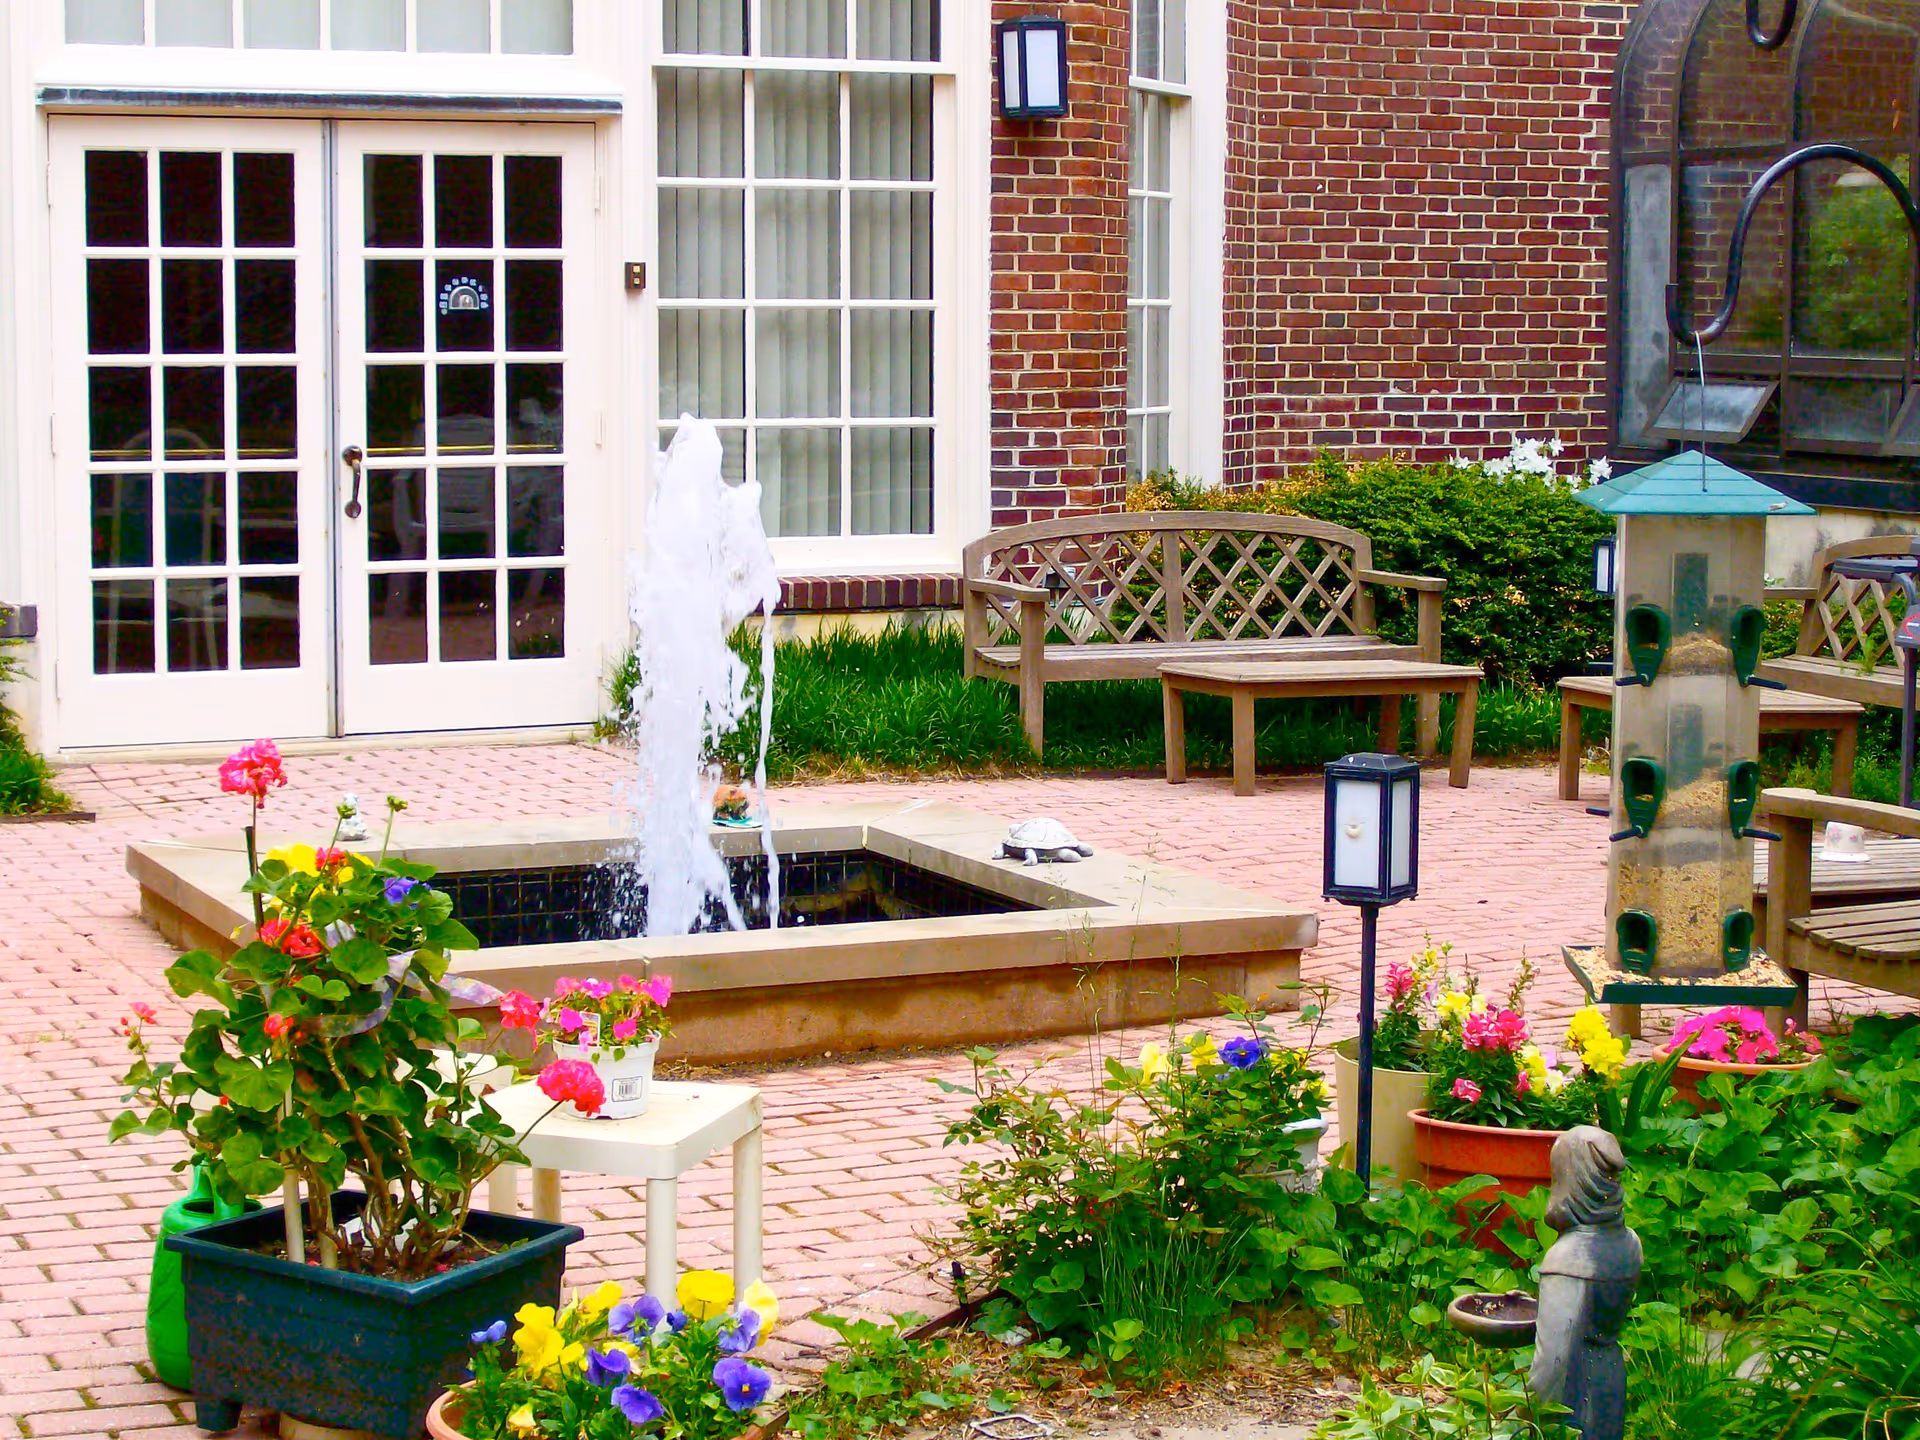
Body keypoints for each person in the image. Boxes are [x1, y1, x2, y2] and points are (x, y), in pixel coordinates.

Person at [1528, 1126, 1641, 1440]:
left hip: (1574, 1394)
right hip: (1610, 1379)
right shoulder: (1631, 1242)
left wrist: (1523, 1413)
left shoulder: (1568, 1258)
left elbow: (1552, 1363)